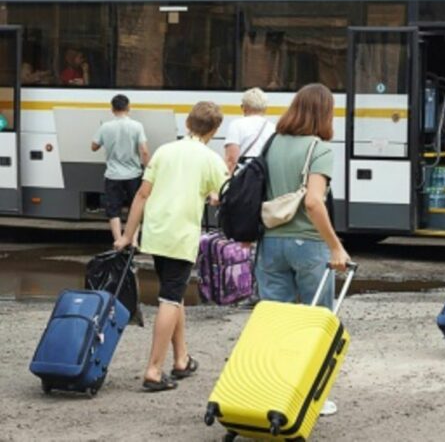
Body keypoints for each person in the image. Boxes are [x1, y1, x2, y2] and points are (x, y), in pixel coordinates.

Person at [114, 101, 228, 392]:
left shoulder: (164, 151)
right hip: (181, 236)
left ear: (188, 124)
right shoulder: (210, 159)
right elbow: (226, 195)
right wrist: (214, 196)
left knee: (173, 295)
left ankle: (181, 359)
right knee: (169, 299)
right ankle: (153, 369)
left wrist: (128, 235)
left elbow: (142, 194)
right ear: (214, 130)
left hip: (156, 233)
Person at [255, 83, 350, 417]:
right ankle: (313, 398)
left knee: (275, 323)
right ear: (324, 113)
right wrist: (335, 246)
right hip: (308, 246)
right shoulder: (319, 148)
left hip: (271, 243)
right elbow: (313, 201)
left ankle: (274, 392)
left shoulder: (272, 144)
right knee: (315, 325)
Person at [91, 94, 150, 244]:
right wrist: (147, 167)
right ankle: (134, 241)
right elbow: (143, 150)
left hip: (113, 175)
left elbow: (94, 147)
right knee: (135, 207)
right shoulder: (137, 126)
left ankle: (118, 240)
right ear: (128, 107)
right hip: (134, 174)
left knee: (114, 209)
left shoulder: (105, 127)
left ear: (112, 109)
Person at [224, 88, 274, 172]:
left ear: (244, 108)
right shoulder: (273, 127)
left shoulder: (236, 125)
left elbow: (231, 159)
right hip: (264, 175)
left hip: (243, 176)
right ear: (265, 108)